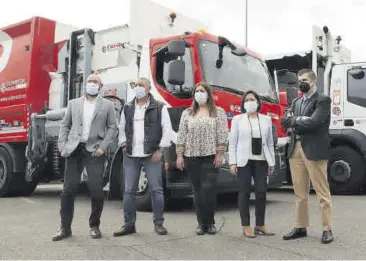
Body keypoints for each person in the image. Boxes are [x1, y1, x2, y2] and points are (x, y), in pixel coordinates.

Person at [53, 73, 117, 241]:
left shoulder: (108, 105)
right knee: (68, 190)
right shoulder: (73, 104)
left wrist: (103, 147)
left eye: (95, 82)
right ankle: (64, 228)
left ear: (101, 86)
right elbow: (65, 126)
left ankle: (94, 225)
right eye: (89, 81)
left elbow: (112, 127)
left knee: (96, 190)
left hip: (95, 150)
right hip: (74, 149)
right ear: (85, 84)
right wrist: (63, 147)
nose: (92, 84)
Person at [113, 77, 173, 236]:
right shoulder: (127, 107)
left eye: (141, 85)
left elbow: (167, 129)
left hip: (151, 154)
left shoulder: (160, 107)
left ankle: (159, 223)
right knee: (128, 190)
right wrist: (124, 144)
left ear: (148, 89)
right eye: (136, 85)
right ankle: (128, 225)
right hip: (131, 154)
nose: (138, 87)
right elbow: (122, 129)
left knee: (156, 190)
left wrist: (160, 149)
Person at [281, 68, 333, 244]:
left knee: (321, 192)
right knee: (299, 193)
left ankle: (327, 229)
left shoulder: (323, 100)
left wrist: (295, 120)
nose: (300, 83)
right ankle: (300, 226)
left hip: (314, 150)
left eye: (304, 80)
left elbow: (315, 122)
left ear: (313, 81)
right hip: (295, 149)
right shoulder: (296, 101)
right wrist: (300, 120)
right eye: (299, 80)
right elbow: (284, 120)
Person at [176, 82, 229, 235]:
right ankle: (201, 224)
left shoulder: (218, 112)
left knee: (209, 189)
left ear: (208, 94)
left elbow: (223, 134)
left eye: (202, 91)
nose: (199, 93)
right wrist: (180, 155)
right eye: (197, 91)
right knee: (197, 191)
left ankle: (210, 222)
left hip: (210, 157)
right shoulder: (187, 113)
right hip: (191, 157)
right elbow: (181, 135)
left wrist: (220, 154)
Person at [229, 90, 276, 238]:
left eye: (252, 99)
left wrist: (272, 162)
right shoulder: (237, 120)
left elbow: (269, 143)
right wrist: (232, 162)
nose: (250, 102)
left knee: (261, 192)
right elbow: (233, 142)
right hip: (244, 161)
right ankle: (246, 225)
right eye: (247, 100)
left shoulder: (266, 120)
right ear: (243, 104)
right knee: (244, 192)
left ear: (257, 102)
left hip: (261, 160)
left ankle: (260, 224)